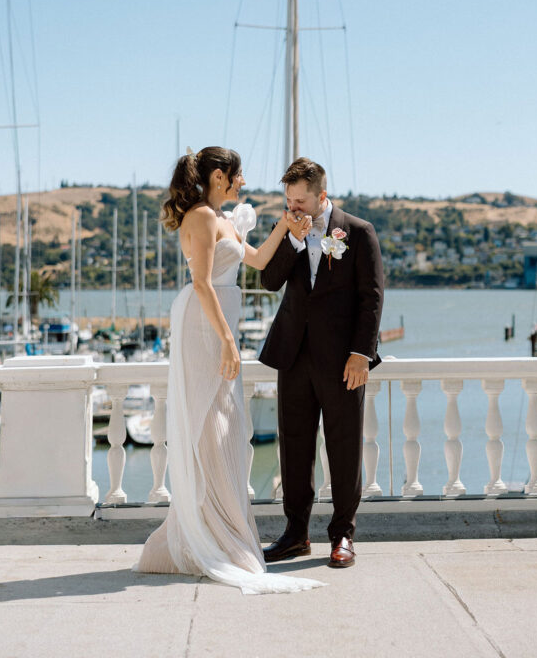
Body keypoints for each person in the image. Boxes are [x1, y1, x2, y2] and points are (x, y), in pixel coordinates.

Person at [136, 147, 324, 594]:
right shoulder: (200, 217)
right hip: (204, 330)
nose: (243, 183)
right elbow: (202, 283)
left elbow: (257, 261)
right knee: (211, 427)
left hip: (219, 328)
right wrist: (225, 340)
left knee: (229, 431)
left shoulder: (223, 220)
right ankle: (215, 539)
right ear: (220, 176)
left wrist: (287, 226)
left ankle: (223, 533)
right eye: (237, 176)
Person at [259, 157, 384, 569]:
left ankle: (343, 534)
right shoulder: (288, 231)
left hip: (343, 361)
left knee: (344, 446)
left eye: (300, 200)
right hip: (293, 356)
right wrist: (292, 240)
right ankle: (296, 534)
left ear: (321, 196)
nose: (293, 207)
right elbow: (268, 280)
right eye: (288, 200)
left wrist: (361, 354)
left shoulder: (359, 232)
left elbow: (372, 298)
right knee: (294, 448)